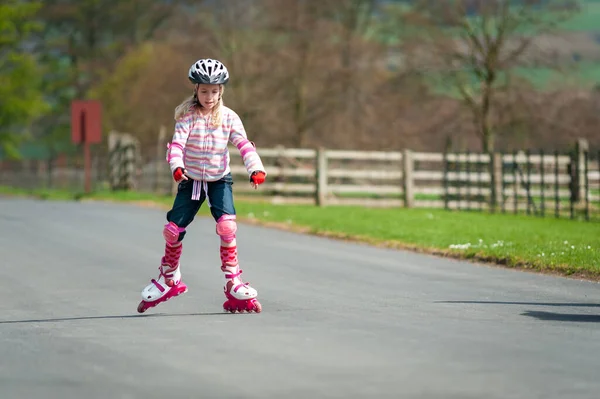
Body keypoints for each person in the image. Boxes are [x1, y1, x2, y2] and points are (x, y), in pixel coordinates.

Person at [137, 58, 267, 314]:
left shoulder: (229, 117)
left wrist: (256, 168)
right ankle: (170, 277)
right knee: (173, 230)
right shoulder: (187, 117)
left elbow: (243, 143)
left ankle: (233, 282)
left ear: (222, 92)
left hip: (220, 180)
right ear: (195, 89)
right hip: (190, 179)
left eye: (215, 91)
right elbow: (177, 145)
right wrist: (176, 166)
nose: (210, 96)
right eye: (205, 90)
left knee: (227, 226)